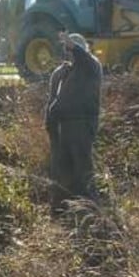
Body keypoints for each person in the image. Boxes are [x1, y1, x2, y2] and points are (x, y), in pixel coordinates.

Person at [44, 32, 102, 213]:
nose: (69, 55)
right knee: (62, 167)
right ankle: (62, 206)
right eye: (67, 51)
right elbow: (54, 98)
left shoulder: (91, 65)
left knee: (82, 167)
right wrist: (50, 123)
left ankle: (88, 207)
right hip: (62, 126)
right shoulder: (65, 71)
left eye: (72, 50)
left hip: (81, 124)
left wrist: (73, 46)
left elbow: (83, 57)